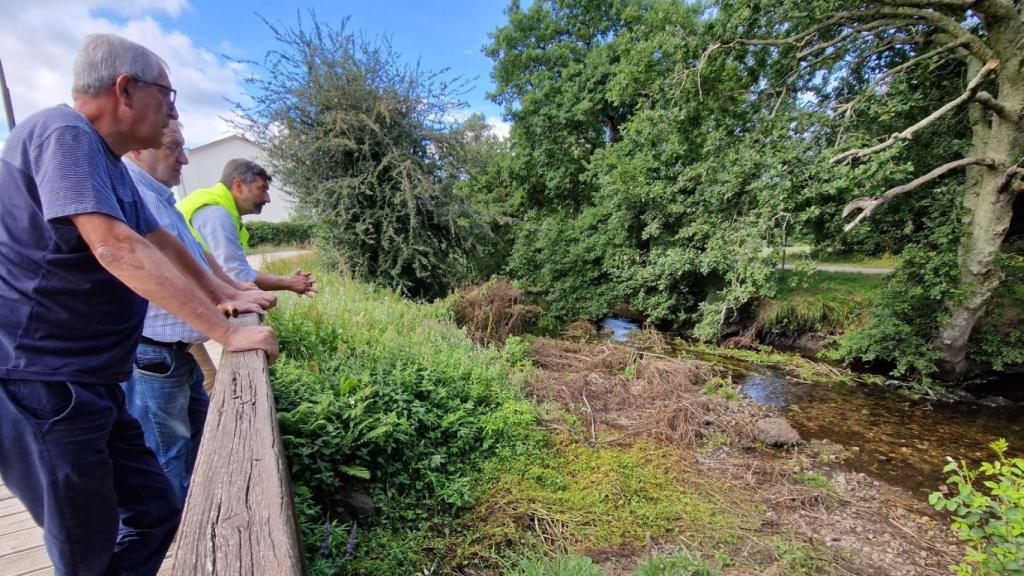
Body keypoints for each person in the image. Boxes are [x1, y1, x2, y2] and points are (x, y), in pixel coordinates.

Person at [0, 34, 278, 576]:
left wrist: (229, 295)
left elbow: (165, 244)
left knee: (155, 511)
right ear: (125, 89)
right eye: (168, 94)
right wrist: (227, 335)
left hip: (93, 379)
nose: (174, 110)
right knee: (85, 548)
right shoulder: (64, 132)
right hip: (42, 380)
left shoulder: (111, 167)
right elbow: (114, 245)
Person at [122, 120, 277, 506]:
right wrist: (227, 332)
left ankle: (199, 515)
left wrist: (230, 290)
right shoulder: (134, 194)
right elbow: (156, 273)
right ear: (136, 148)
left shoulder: (161, 197)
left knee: (203, 442)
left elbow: (192, 254)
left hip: (177, 352)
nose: (184, 159)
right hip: (154, 354)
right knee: (167, 461)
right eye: (174, 148)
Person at [177, 158, 317, 296]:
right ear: (238, 186)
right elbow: (238, 276)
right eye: (261, 189)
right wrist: (288, 283)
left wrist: (287, 281)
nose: (267, 199)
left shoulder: (215, 205)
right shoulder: (217, 214)